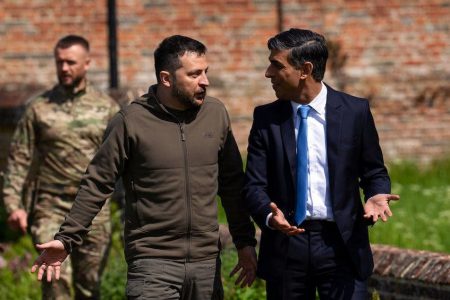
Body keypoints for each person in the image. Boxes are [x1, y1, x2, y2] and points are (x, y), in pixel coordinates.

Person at [30, 35, 257, 300]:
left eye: (206, 72)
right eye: (194, 74)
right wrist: (67, 238)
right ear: (166, 78)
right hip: (152, 265)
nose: (205, 81)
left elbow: (232, 185)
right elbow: (97, 182)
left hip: (206, 264)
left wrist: (244, 242)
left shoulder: (216, 114)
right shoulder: (130, 121)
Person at [243, 28, 400, 299]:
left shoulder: (355, 112)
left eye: (276, 65)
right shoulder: (266, 118)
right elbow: (254, 186)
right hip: (286, 247)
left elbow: (373, 171)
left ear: (304, 69)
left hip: (342, 245)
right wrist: (270, 217)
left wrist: (376, 194)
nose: (268, 73)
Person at [1, 35, 119, 299]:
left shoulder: (107, 109)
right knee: (55, 282)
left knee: (89, 287)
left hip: (93, 211)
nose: (64, 68)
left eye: (70, 62)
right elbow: (19, 158)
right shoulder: (38, 109)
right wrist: (14, 205)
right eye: (59, 62)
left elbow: (122, 160)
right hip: (50, 207)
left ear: (87, 63)